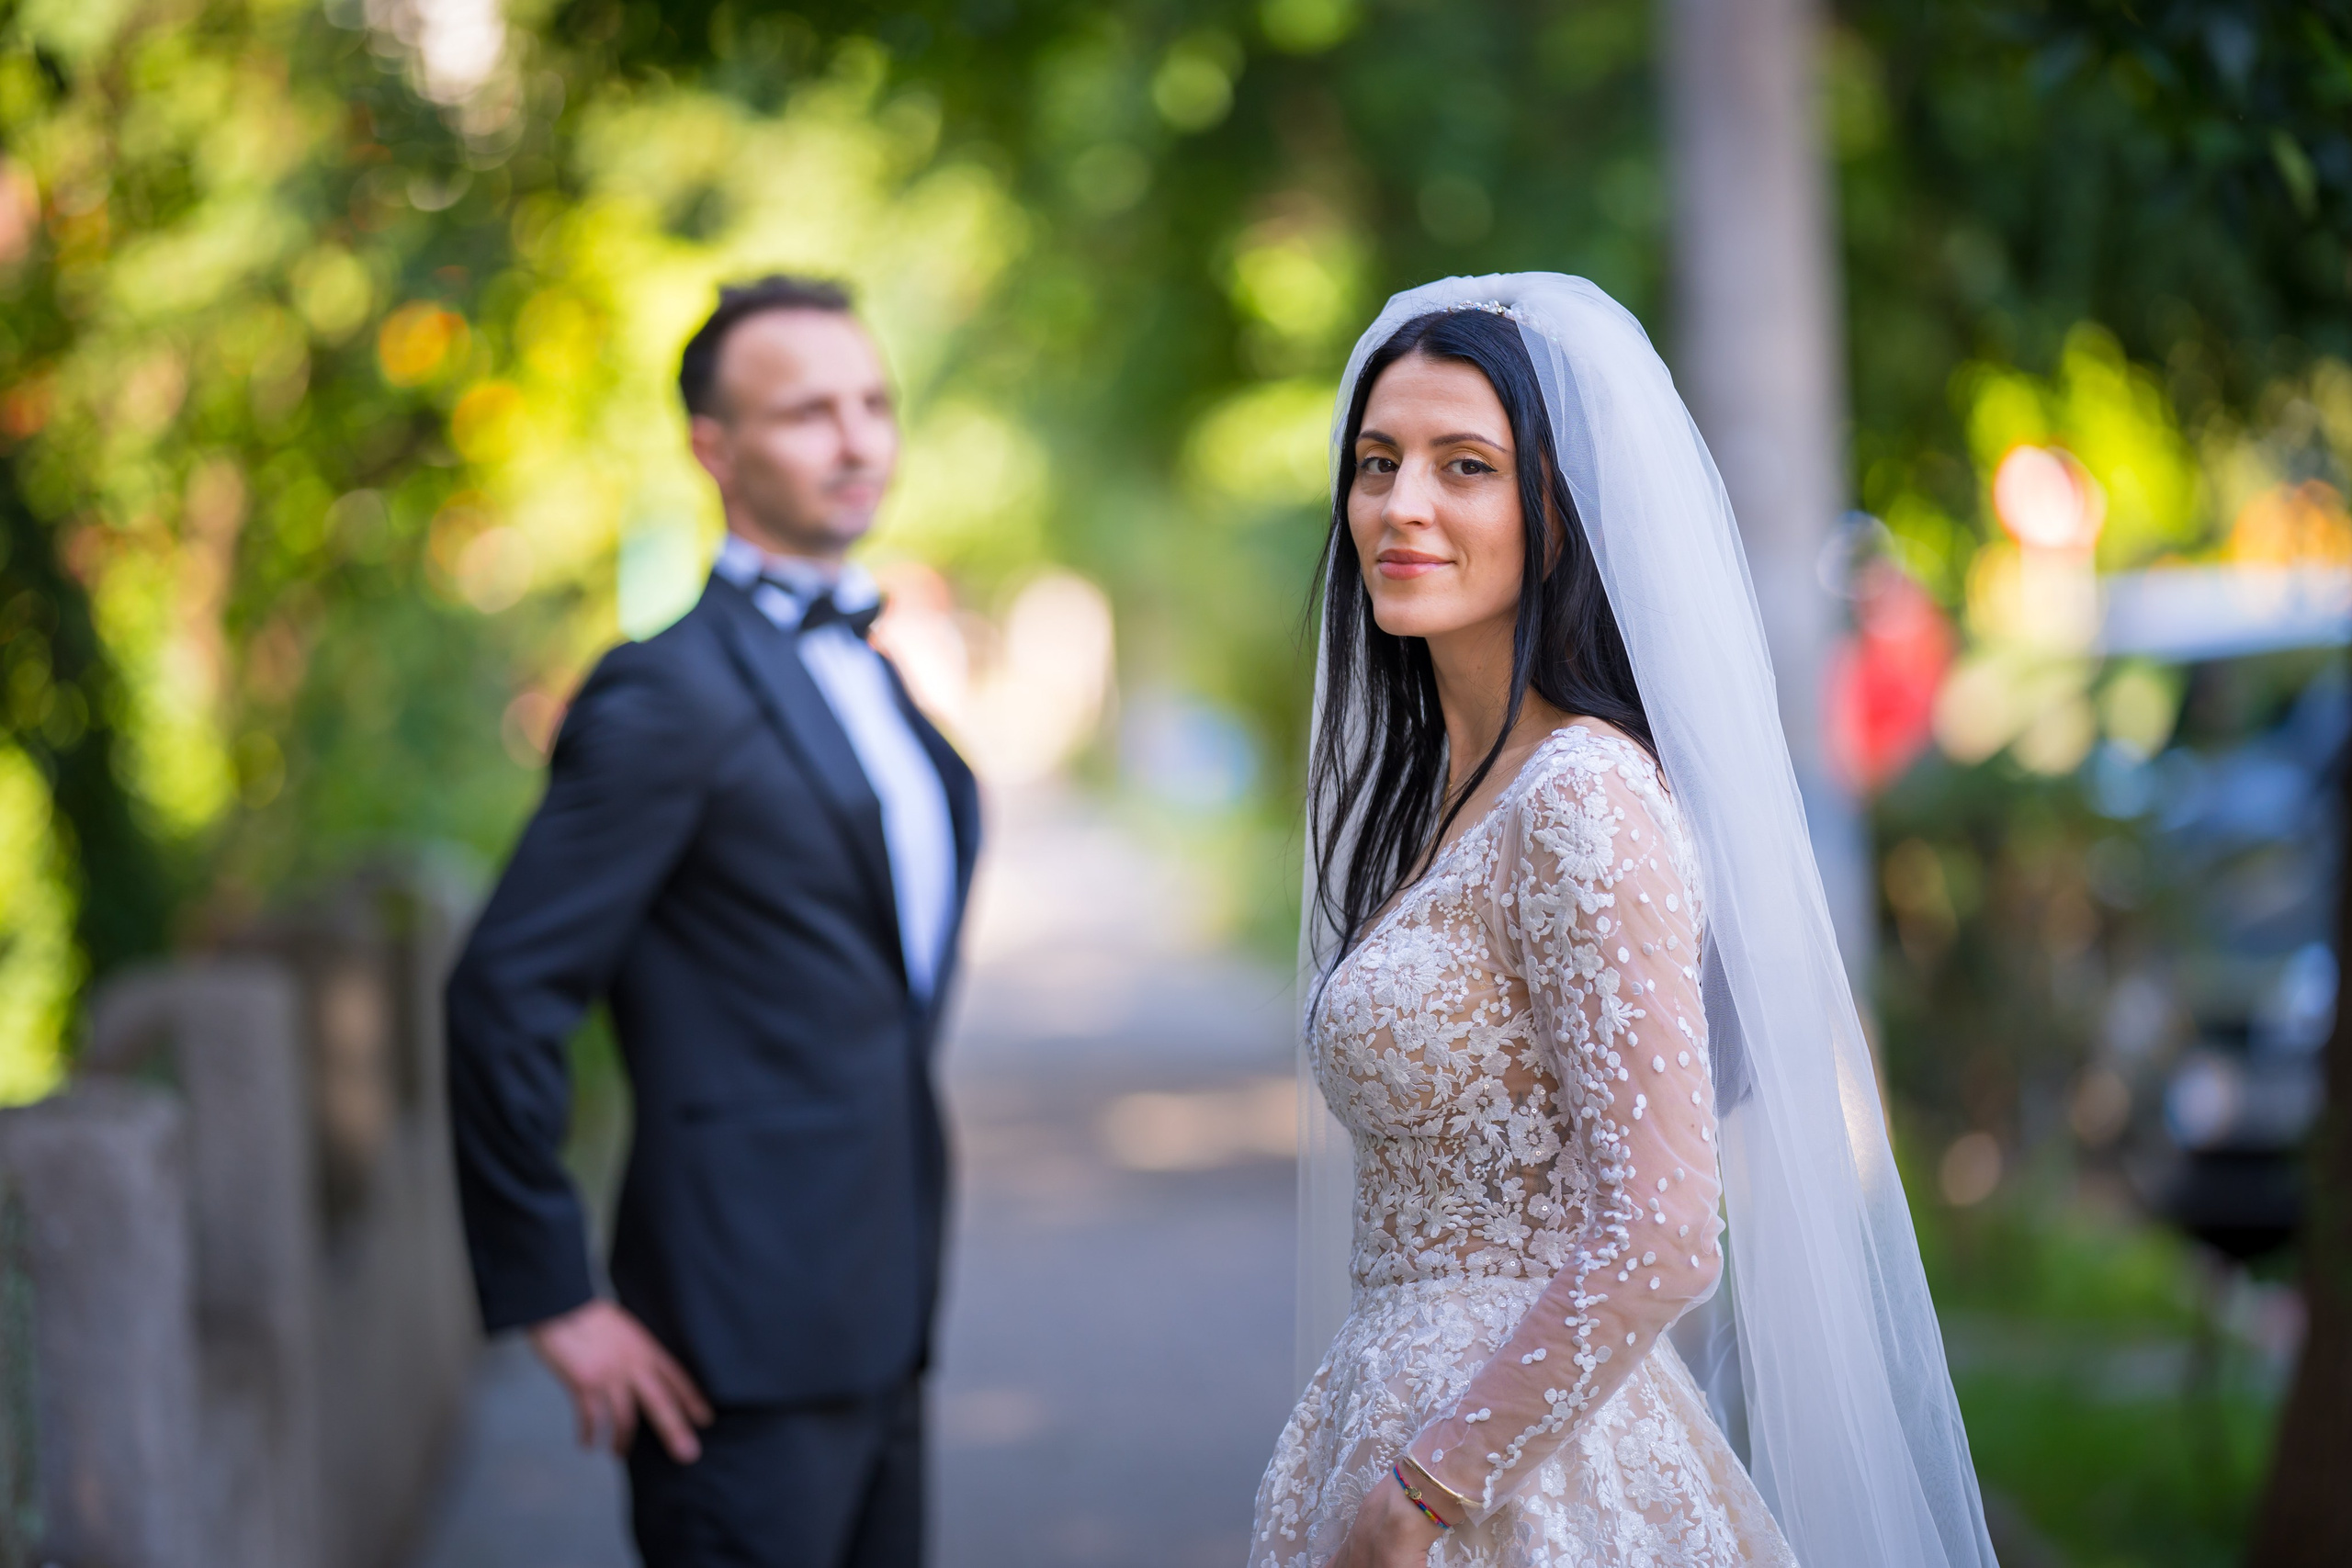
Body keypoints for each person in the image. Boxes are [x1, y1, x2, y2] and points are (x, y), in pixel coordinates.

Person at [1252, 277, 1998, 1568]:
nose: (1401, 505)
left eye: (1463, 466)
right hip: (1395, 1429)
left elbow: (1662, 1229)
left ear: (1556, 517)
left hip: (1516, 1484)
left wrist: (1428, 1489)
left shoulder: (1582, 797)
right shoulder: (1451, 801)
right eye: (1377, 464)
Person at [446, 274, 979, 1568]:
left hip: (883, 1313)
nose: (856, 441)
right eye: (806, 413)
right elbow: (501, 994)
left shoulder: (878, 675)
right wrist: (556, 1295)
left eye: (873, 404)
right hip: (727, 1346)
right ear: (714, 449)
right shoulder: (666, 696)